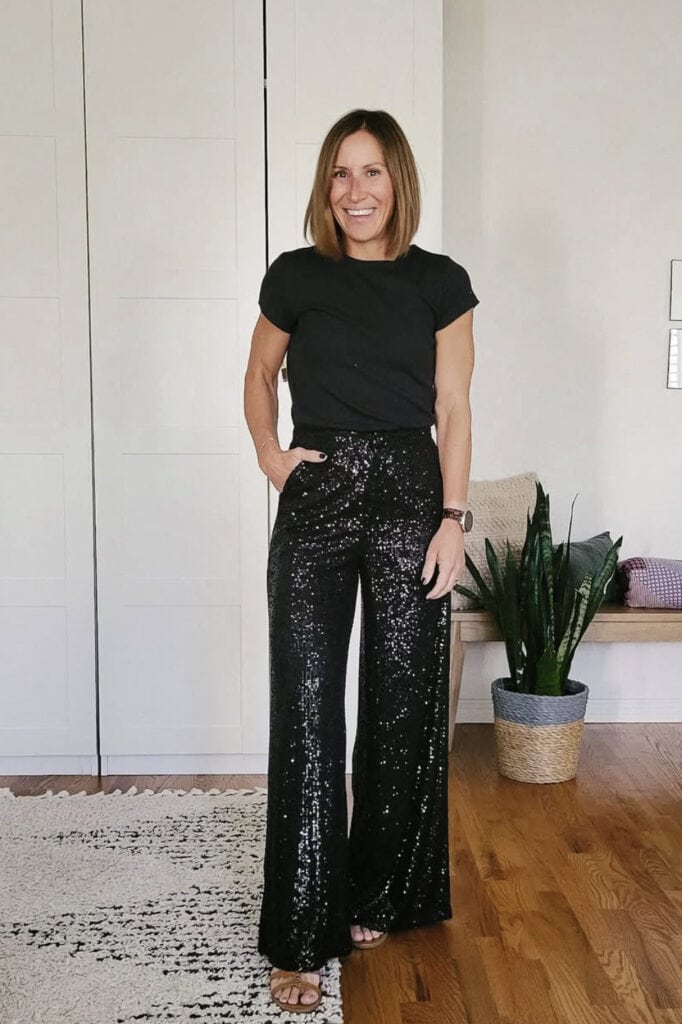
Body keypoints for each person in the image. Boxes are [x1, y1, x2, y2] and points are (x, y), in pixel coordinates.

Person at [243, 108, 478, 1014]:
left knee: (400, 702)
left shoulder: (441, 282)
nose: (355, 191)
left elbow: (453, 407)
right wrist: (271, 454)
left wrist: (454, 518)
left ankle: (378, 892)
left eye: (371, 172)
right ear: (325, 188)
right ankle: (301, 935)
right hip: (320, 493)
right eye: (340, 174)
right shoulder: (296, 276)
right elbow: (259, 375)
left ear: (398, 181)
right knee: (306, 708)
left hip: (414, 498)